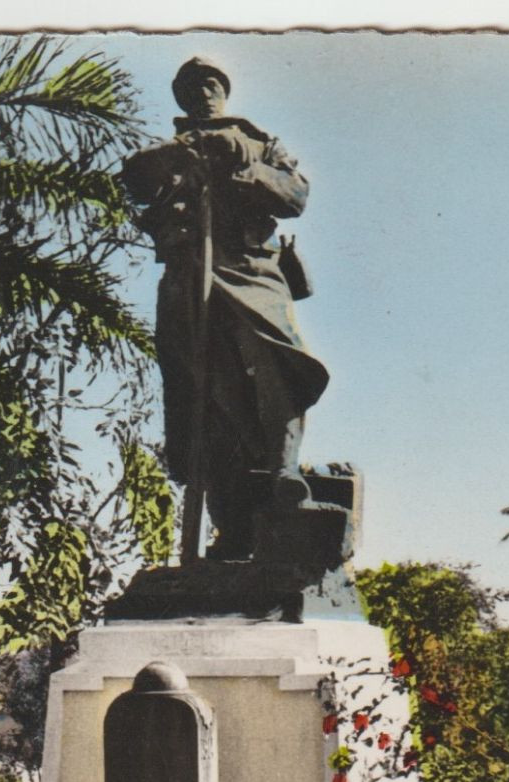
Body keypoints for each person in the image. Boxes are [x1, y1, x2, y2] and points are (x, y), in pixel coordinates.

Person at [121, 57, 328, 560]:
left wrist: (246, 164)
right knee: (207, 396)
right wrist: (181, 156)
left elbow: (295, 196)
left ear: (226, 91)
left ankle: (284, 470)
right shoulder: (164, 151)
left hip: (250, 269)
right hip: (189, 279)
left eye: (212, 84)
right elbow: (133, 181)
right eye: (192, 87)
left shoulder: (260, 141)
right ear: (181, 97)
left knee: (283, 362)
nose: (204, 93)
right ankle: (231, 521)